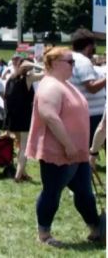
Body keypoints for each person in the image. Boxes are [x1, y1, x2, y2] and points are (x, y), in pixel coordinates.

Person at [26, 47, 101, 247]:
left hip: (76, 152)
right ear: (54, 63)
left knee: (85, 193)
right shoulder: (50, 86)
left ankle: (96, 228)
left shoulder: (64, 84)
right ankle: (44, 234)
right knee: (52, 192)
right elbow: (50, 116)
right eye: (70, 62)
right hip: (59, 152)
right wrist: (68, 145)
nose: (73, 66)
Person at [3, 55, 40, 182]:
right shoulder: (28, 78)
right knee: (24, 146)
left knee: (20, 146)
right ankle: (18, 176)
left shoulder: (11, 78)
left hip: (12, 117)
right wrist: (37, 65)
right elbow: (48, 74)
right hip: (24, 116)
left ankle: (23, 172)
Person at [68, 29, 106, 146]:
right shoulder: (83, 61)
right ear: (89, 46)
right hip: (91, 114)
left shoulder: (70, 58)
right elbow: (92, 87)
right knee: (90, 146)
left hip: (78, 111)